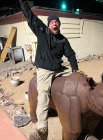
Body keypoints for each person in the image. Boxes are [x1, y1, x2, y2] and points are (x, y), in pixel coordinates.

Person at [19, 0, 79, 139]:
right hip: (45, 69)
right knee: (43, 94)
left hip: (59, 68)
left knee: (79, 77)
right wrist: (23, 2)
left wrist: (75, 70)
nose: (55, 24)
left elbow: (71, 54)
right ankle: (42, 128)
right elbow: (30, 15)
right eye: (52, 22)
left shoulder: (63, 40)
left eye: (57, 22)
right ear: (48, 24)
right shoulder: (41, 31)